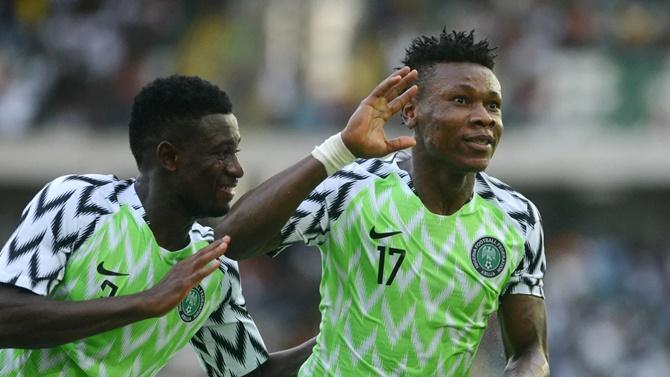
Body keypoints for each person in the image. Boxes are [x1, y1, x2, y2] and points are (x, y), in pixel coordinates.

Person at [0, 70, 418, 377]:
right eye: (221, 153)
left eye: (236, 152)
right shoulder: (77, 202)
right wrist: (146, 301)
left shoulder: (212, 264)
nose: (236, 169)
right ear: (169, 158)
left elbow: (249, 374)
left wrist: (349, 334)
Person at [221, 30, 549, 376]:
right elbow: (231, 241)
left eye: (493, 105)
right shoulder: (353, 186)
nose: (484, 117)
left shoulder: (518, 217)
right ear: (411, 111)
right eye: (461, 100)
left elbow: (530, 351)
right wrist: (339, 150)